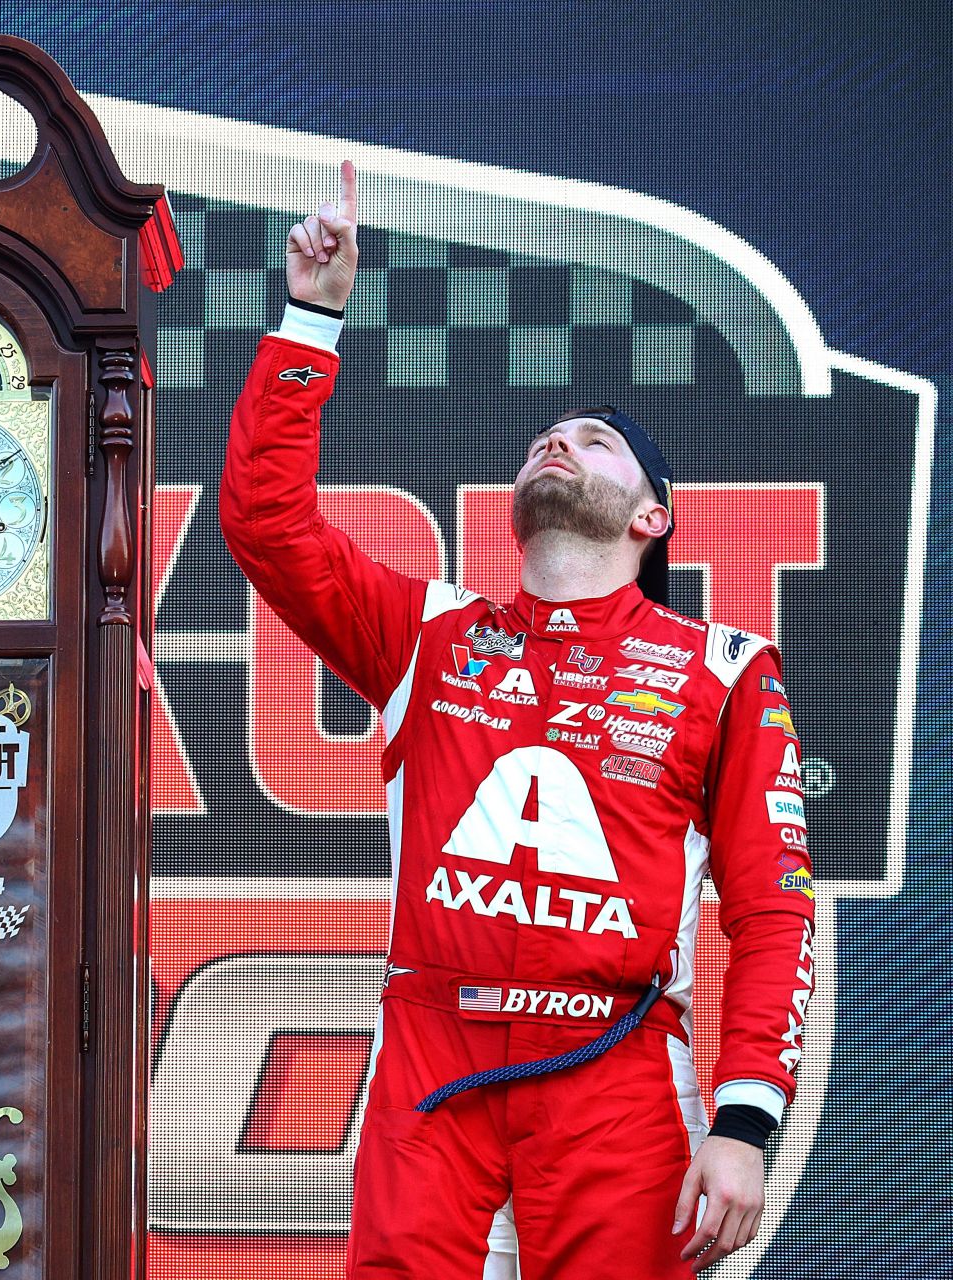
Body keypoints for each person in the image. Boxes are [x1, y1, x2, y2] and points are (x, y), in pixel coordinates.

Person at [220, 160, 816, 1278]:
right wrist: (313, 316)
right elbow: (264, 523)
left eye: (593, 439)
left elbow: (773, 910)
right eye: (547, 435)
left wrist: (742, 1124)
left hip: (618, 1067)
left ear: (653, 513)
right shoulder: (428, 633)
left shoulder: (725, 670)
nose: (558, 442)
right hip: (432, 1061)